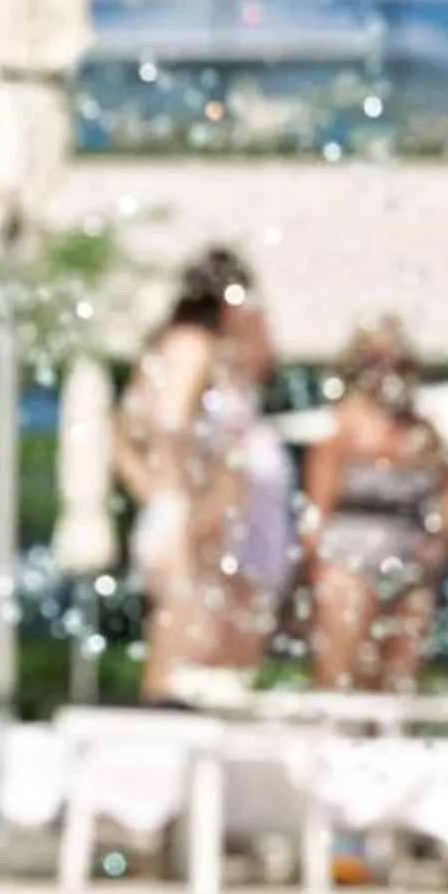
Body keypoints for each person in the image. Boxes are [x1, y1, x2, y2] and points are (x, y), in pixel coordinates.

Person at [113, 247, 294, 704]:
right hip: (198, 518)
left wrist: (156, 491)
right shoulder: (194, 346)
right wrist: (199, 499)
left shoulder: (180, 346)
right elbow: (174, 426)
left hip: (191, 512)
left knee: (204, 654)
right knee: (188, 655)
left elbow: (124, 431)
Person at [299, 321, 448, 694]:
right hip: (349, 560)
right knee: (342, 669)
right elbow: (317, 509)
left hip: (410, 562)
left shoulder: (424, 431)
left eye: (399, 362)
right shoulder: (343, 426)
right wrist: (314, 571)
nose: (388, 371)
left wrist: (442, 539)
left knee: (398, 679)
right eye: (377, 361)